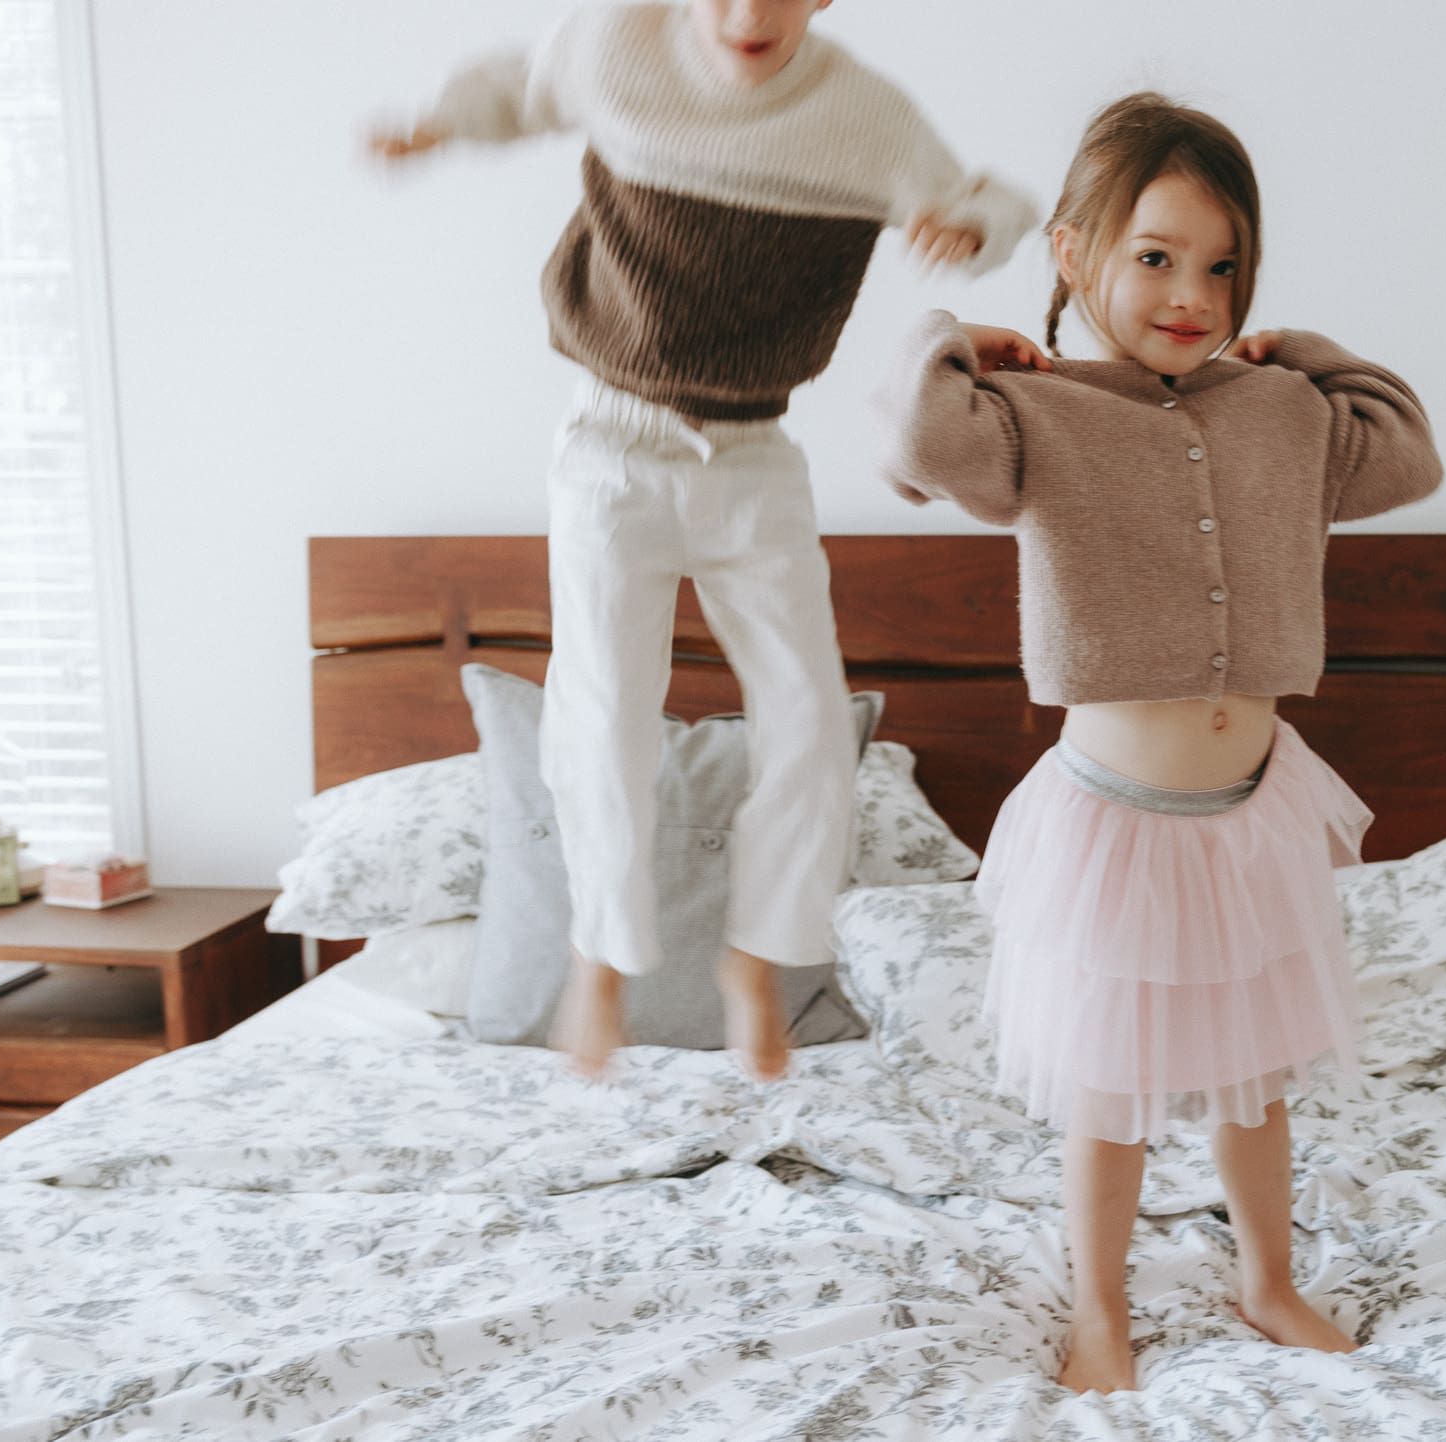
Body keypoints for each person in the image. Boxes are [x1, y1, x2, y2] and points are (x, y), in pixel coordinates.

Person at [877, 92, 1444, 1394]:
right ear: (1075, 253)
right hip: (1114, 819)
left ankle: (1268, 1278)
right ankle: (1099, 1308)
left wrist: (1306, 350)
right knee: (1108, 1088)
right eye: (1154, 256)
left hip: (1253, 814)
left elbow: (1407, 457)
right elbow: (911, 436)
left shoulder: (1282, 411)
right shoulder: (1037, 417)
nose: (1191, 292)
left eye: (1221, 264)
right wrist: (955, 336)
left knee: (1256, 1072)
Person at [373, 0, 1034, 1082]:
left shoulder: (865, 117)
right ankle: (602, 950)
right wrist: (439, 121)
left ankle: (759, 959)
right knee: (602, 709)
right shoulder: (616, 47)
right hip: (609, 441)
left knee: (812, 716)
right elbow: (517, 83)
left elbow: (985, 199)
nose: (745, 15)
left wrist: (971, 229)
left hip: (751, 453)